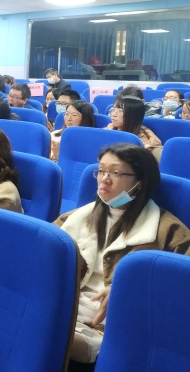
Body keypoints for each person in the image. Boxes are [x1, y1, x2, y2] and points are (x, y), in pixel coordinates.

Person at [54, 144, 190, 366]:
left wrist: (129, 290)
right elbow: (44, 257)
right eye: (101, 171)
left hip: (113, 324)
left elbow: (180, 289)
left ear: (141, 182)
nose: (104, 179)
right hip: (66, 308)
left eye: (115, 173)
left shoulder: (170, 232)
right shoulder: (76, 217)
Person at [106, 96, 163, 161]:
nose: (113, 114)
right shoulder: (108, 130)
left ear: (133, 115)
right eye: (113, 109)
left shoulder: (144, 146)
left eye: (121, 111)